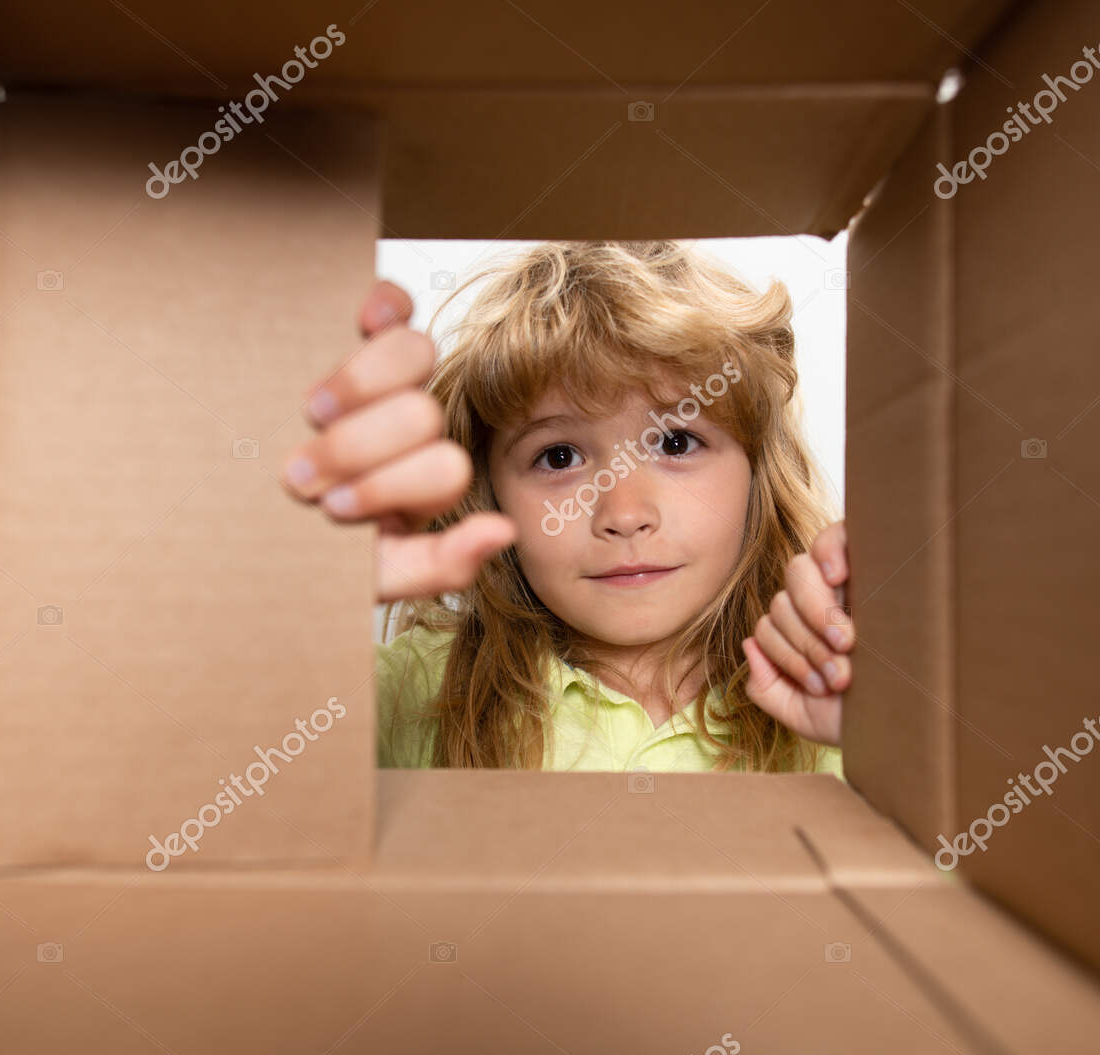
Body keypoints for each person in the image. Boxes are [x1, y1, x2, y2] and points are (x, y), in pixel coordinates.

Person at [285, 241, 855, 774]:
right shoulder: (403, 695)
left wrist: (879, 727)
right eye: (559, 457)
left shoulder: (846, 695)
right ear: (488, 494)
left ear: (758, 473)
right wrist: (305, 584)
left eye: (677, 443)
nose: (625, 515)